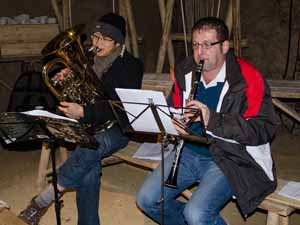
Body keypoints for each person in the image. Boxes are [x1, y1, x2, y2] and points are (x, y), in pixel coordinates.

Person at [136, 17, 279, 225]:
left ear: (225, 46)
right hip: (188, 151)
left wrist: (213, 119)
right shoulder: (186, 70)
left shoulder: (248, 78)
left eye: (207, 45)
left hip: (229, 158)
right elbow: (173, 106)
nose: (199, 52)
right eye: (195, 45)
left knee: (197, 213)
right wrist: (173, 122)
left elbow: (263, 129)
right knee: (147, 200)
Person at [19, 13, 143, 225]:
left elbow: (119, 106)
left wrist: (84, 112)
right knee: (89, 162)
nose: (97, 43)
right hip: (90, 126)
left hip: (118, 128)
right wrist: (65, 80)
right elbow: (79, 96)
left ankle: (43, 200)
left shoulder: (131, 65)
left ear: (118, 42)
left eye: (105, 39)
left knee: (93, 145)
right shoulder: (86, 61)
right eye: (95, 36)